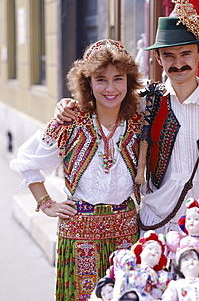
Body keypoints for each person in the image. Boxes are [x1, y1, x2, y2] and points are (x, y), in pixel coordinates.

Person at [53, 0, 199, 301]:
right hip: (156, 230)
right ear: (158, 59)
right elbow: (104, 97)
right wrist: (67, 105)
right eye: (169, 56)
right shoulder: (145, 100)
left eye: (186, 53)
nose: (178, 63)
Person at [10, 39, 144, 301]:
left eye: (118, 79)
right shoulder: (69, 121)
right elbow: (27, 160)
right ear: (88, 83)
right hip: (80, 232)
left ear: (128, 81)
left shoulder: (138, 121)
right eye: (100, 79)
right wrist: (45, 203)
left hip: (127, 231)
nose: (110, 88)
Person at [110, 231, 172, 301]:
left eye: (158, 252)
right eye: (150, 249)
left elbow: (157, 293)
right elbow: (120, 278)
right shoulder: (131, 265)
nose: (153, 252)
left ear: (159, 261)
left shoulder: (159, 276)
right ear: (141, 253)